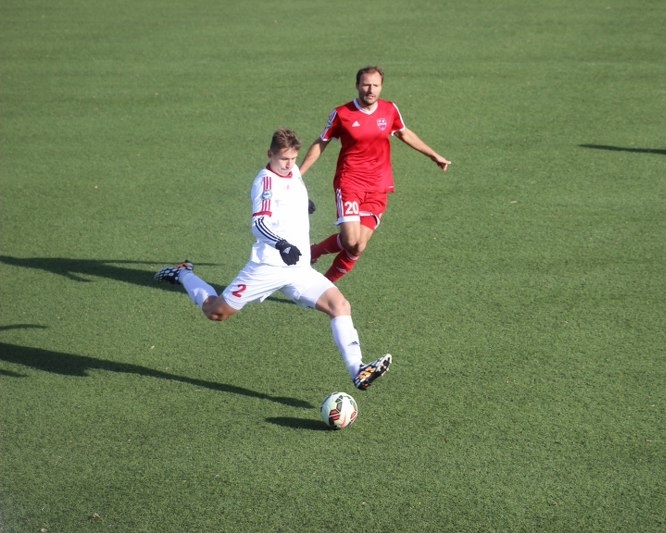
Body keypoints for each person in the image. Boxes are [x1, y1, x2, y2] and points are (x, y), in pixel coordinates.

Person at [154, 128, 391, 391]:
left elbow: (290, 191)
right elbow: (259, 224)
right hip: (268, 266)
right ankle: (184, 273)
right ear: (270, 154)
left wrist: (303, 203)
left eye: (293, 159)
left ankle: (358, 369)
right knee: (215, 312)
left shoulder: (294, 172)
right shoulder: (265, 183)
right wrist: (281, 244)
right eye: (284, 159)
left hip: (298, 268)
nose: (289, 165)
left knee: (340, 305)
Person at [299, 65, 451, 282]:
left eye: (375, 85)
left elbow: (404, 133)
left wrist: (433, 155)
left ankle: (323, 286)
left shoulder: (390, 110)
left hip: (379, 186)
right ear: (357, 86)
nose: (370, 90)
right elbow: (321, 142)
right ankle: (313, 252)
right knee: (350, 240)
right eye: (366, 85)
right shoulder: (342, 113)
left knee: (358, 246)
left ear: (381, 87)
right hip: (350, 182)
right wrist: (298, 174)